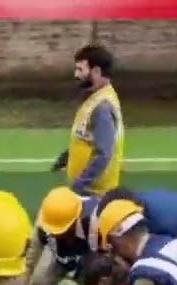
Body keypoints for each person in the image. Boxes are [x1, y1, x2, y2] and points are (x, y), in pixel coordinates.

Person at [52, 44, 123, 198]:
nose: (76, 74)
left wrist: (78, 186)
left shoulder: (103, 107)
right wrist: (68, 156)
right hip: (87, 191)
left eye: (80, 69)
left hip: (94, 194)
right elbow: (88, 136)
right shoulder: (94, 98)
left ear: (96, 71)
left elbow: (104, 154)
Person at [24, 187, 102, 285]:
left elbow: (107, 259)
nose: (57, 233)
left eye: (63, 229)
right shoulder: (45, 221)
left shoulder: (97, 219)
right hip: (59, 255)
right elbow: (30, 258)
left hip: (89, 254)